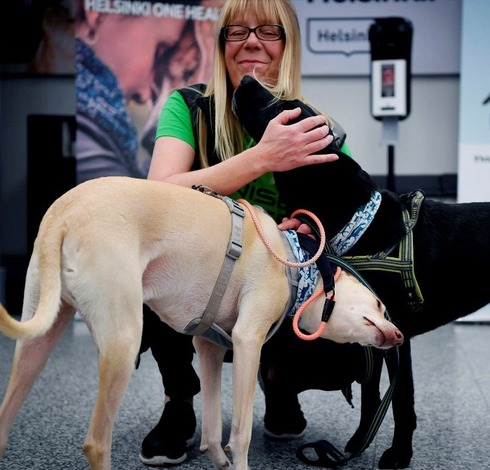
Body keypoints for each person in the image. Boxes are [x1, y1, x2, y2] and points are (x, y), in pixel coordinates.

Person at [140, 0, 351, 465]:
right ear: (221, 46)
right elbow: (158, 194)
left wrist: (313, 230)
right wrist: (262, 157)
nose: (251, 41)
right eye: (236, 32)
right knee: (154, 260)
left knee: (330, 283)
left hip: (274, 281)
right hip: (195, 277)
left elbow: (344, 220)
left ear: (287, 45)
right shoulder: (189, 106)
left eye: (268, 31)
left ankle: (280, 384)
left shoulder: (315, 127)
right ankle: (179, 404)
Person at [74, 0, 215, 183]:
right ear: (98, 12)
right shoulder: (88, 137)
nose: (145, 95)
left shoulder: (93, 126)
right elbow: (136, 203)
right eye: (160, 51)